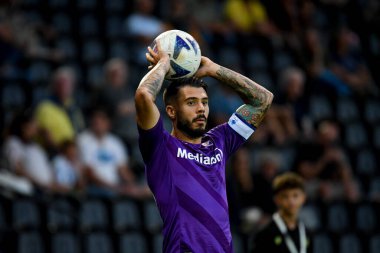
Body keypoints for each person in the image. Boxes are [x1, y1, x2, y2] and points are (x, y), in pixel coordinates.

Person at [135, 40, 273, 252]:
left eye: (205, 102)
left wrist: (214, 70)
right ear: (171, 111)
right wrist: (164, 63)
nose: (201, 109)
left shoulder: (219, 141)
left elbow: (262, 100)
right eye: (191, 102)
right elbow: (144, 96)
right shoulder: (161, 148)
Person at [77, 107, 150, 198]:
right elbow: (88, 173)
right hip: (93, 187)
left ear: (108, 123)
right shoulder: (83, 140)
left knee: (146, 192)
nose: (98, 122)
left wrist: (132, 185)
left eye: (102, 119)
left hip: (115, 187)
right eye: (96, 119)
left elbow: (122, 169)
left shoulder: (115, 142)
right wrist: (114, 188)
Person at [251, 172, 313, 253]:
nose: (291, 201)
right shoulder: (265, 234)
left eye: (295, 195)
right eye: (285, 196)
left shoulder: (306, 233)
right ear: (276, 200)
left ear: (303, 198)